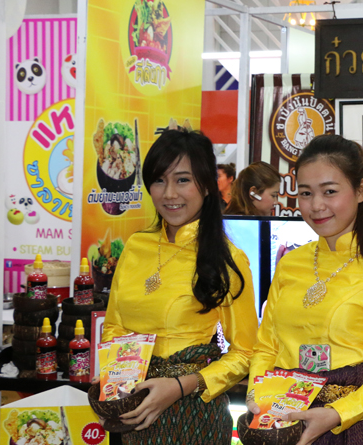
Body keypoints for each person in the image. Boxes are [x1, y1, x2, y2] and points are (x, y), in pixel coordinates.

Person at [246, 134, 363, 445]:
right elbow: (266, 346)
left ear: (360, 190)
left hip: (354, 423)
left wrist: (338, 413)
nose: (316, 205)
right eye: (305, 193)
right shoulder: (290, 263)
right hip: (284, 417)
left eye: (329, 191)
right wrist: (256, 397)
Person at [101, 130, 258, 444]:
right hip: (134, 408)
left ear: (207, 185)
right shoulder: (135, 246)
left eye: (183, 180)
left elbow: (246, 352)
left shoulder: (227, 259)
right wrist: (112, 378)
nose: (169, 194)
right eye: (159, 180)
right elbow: (115, 326)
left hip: (194, 413)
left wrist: (180, 385)